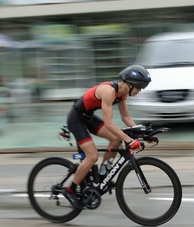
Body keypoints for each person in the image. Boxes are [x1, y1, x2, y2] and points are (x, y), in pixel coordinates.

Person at [59, 64, 151, 209]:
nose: (139, 91)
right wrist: (129, 140)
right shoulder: (109, 91)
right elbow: (108, 123)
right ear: (130, 84)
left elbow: (126, 118)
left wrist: (142, 133)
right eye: (139, 88)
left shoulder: (122, 94)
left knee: (116, 139)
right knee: (92, 157)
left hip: (88, 117)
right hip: (76, 119)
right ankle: (70, 190)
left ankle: (102, 175)